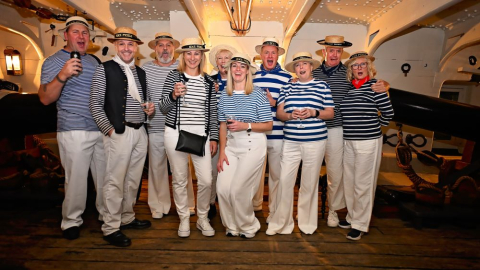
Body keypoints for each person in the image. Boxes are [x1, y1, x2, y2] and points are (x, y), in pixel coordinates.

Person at [38, 16, 105, 240]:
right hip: (73, 128)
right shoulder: (53, 61)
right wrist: (63, 75)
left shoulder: (94, 62)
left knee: (105, 178)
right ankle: (71, 222)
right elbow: (45, 99)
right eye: (75, 32)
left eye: (84, 33)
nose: (81, 36)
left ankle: (107, 216)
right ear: (65, 35)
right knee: (76, 179)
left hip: (99, 128)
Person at [313, 35, 389, 228]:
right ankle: (309, 212)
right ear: (324, 52)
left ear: (342, 53)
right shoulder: (313, 73)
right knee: (311, 172)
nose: (334, 54)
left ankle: (333, 211)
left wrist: (385, 85)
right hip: (314, 128)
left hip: (338, 130)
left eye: (338, 51)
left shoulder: (347, 73)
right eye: (331, 50)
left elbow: (372, 86)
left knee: (336, 174)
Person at [89, 27, 154, 247]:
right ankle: (110, 227)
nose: (126, 48)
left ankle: (126, 217)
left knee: (133, 180)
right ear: (116, 46)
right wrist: (108, 129)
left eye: (130, 44)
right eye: (122, 44)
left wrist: (149, 110)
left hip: (140, 131)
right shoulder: (104, 69)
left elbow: (141, 103)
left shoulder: (141, 72)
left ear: (136, 48)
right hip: (119, 132)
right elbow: (95, 104)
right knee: (114, 181)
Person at [266, 52, 334, 235]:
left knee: (309, 183)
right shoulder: (288, 86)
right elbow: (280, 113)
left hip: (315, 141)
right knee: (285, 181)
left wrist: (314, 113)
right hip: (290, 141)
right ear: (294, 69)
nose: (301, 67)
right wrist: (289, 115)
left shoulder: (322, 86)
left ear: (311, 67)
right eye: (298, 65)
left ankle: (307, 224)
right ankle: (282, 223)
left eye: (305, 64)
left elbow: (330, 113)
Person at [159, 37, 218, 238]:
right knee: (180, 179)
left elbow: (212, 112)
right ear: (183, 55)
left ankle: (202, 218)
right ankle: (184, 218)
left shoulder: (209, 81)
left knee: (206, 180)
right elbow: (163, 107)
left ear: (202, 56)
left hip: (201, 135)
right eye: (189, 53)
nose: (193, 57)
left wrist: (214, 138)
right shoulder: (173, 76)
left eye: (197, 53)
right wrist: (173, 95)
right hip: (175, 133)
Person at [216, 52, 272, 238]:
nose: (238, 69)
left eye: (242, 66)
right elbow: (223, 125)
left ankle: (248, 226)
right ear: (230, 70)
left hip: (253, 143)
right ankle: (232, 226)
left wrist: (245, 125)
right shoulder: (225, 94)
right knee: (223, 189)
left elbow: (268, 125)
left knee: (239, 189)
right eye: (234, 66)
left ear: (248, 71)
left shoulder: (257, 93)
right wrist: (222, 152)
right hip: (231, 145)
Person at [340, 51, 394, 240]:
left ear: (369, 67)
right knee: (349, 181)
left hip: (368, 141)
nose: (359, 68)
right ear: (351, 70)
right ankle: (352, 216)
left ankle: (360, 224)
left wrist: (373, 128)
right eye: (355, 65)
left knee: (363, 184)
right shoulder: (350, 88)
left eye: (362, 64)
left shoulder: (375, 86)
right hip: (348, 140)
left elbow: (388, 114)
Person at [143, 32, 196, 219]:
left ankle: (188, 204)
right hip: (155, 126)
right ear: (155, 48)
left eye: (168, 45)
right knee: (156, 168)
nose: (164, 49)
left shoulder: (183, 67)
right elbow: (142, 96)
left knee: (182, 168)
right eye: (160, 45)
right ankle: (159, 205)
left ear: (174, 48)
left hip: (179, 128)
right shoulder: (145, 69)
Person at [252, 37, 292, 220]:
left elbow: (291, 107)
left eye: (273, 52)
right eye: (266, 52)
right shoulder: (251, 77)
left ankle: (275, 211)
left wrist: (274, 103)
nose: (269, 55)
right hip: (256, 134)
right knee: (255, 174)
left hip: (278, 134)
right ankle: (255, 206)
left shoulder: (288, 78)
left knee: (277, 175)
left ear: (278, 56)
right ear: (261, 55)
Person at [207, 44, 237, 218]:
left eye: (227, 58)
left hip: (234, 131)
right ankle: (211, 203)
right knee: (212, 170)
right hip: (214, 131)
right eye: (220, 58)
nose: (223, 61)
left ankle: (230, 203)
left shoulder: (238, 79)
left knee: (230, 169)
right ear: (216, 62)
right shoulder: (210, 80)